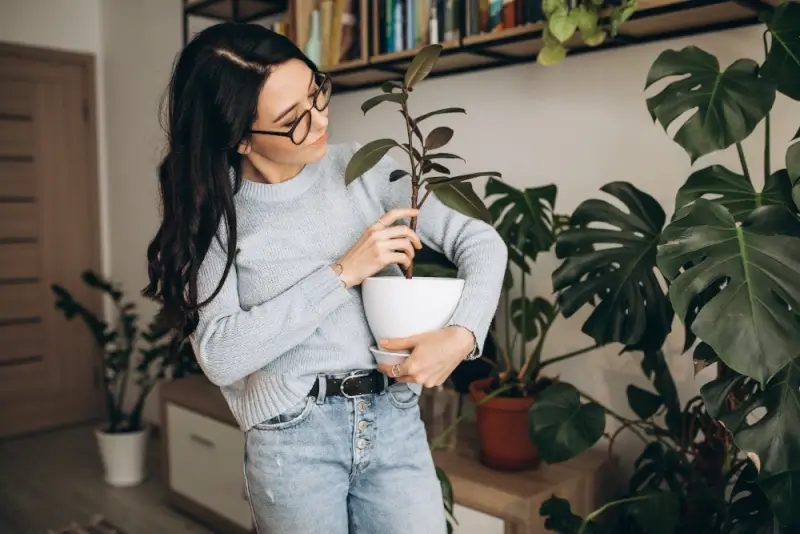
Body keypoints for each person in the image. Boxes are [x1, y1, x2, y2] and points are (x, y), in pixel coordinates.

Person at [143, 22, 507, 534]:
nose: (318, 120)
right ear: (241, 139)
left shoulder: (366, 170)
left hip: (395, 419)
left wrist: (463, 335)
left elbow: (483, 242)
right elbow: (221, 355)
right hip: (293, 440)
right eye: (292, 119)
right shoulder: (216, 214)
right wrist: (342, 274)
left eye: (317, 92)